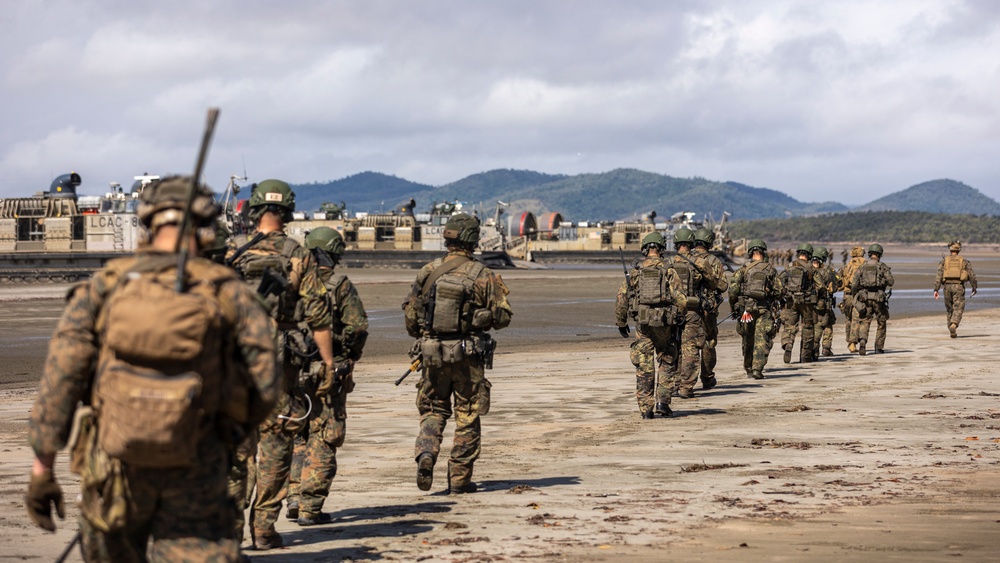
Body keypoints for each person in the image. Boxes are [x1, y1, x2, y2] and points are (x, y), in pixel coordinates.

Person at [26, 176, 278, 561]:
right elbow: (265, 386)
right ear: (207, 226)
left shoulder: (104, 288)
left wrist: (42, 470)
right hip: (199, 466)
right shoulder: (230, 293)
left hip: (113, 470)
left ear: (147, 221)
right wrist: (226, 430)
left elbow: (60, 382)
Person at [226, 179, 337, 550]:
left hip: (237, 359)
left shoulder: (234, 254)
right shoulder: (298, 254)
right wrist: (328, 362)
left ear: (254, 210)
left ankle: (227, 527)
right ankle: (264, 528)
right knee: (276, 444)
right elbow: (319, 315)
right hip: (281, 361)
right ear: (288, 212)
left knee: (237, 448)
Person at [403, 213, 512, 493]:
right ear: (473, 239)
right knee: (467, 414)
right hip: (468, 357)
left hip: (431, 355)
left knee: (433, 410)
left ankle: (426, 453)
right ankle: (459, 481)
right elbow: (502, 318)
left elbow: (411, 319)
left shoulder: (428, 271)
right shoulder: (483, 275)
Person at [286, 227, 369, 525]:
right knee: (325, 436)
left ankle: (293, 497)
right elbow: (357, 327)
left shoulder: (291, 281)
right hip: (326, 370)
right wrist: (348, 356)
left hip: (291, 370)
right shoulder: (338, 285)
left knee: (297, 433)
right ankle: (310, 507)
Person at [615, 232, 687, 417]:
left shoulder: (636, 273)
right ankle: (662, 403)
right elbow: (681, 300)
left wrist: (621, 322)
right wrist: (679, 317)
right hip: (665, 324)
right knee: (667, 359)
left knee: (644, 364)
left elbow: (622, 298)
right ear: (661, 248)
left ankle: (646, 409)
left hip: (643, 324)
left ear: (645, 248)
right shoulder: (669, 271)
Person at [670, 228, 724, 397]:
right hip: (694, 311)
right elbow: (719, 285)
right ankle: (687, 386)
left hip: (671, 312)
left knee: (674, 347)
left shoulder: (668, 262)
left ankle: (673, 384)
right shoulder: (701, 263)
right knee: (692, 348)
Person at [729, 239, 783, 379]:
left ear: (750, 252)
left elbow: (733, 290)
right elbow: (779, 290)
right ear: (763, 252)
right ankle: (757, 369)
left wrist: (734, 307)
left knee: (748, 339)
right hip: (763, 309)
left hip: (746, 309)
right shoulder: (770, 269)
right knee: (761, 339)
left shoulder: (743, 269)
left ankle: (748, 368)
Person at [692, 228, 729, 389]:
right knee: (708, 343)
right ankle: (707, 377)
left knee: (686, 344)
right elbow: (723, 286)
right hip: (707, 310)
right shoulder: (714, 261)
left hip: (686, 308)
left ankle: (684, 381)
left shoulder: (685, 259)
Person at [850, 243, 895, 355]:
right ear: (880, 254)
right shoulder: (882, 266)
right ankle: (878, 347)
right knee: (881, 322)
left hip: (865, 297)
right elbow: (891, 282)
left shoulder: (863, 266)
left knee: (865, 321)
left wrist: (855, 295)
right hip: (879, 298)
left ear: (870, 254)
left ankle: (863, 343)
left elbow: (854, 283)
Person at [779, 243, 817, 363]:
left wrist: (784, 296)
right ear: (809, 254)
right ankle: (805, 356)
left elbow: (780, 282)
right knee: (808, 327)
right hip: (806, 303)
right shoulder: (811, 268)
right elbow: (820, 286)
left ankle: (788, 344)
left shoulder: (789, 266)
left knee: (790, 326)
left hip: (791, 301)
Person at [934, 241, 978, 338]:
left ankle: (950, 328)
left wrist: (936, 290)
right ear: (959, 250)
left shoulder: (944, 261)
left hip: (946, 287)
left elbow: (939, 276)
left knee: (949, 309)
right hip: (958, 286)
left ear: (950, 249)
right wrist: (974, 287)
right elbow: (972, 275)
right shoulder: (964, 261)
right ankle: (954, 324)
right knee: (958, 307)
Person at [811, 247, 839, 357]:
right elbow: (837, 283)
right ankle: (824, 347)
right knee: (825, 324)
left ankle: (815, 349)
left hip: (808, 303)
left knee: (814, 325)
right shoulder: (828, 270)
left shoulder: (807, 269)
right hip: (823, 303)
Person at [839, 246, 867, 353]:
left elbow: (840, 281)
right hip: (858, 295)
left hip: (847, 295)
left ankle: (849, 341)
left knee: (848, 319)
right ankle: (853, 343)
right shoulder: (865, 264)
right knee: (856, 319)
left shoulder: (847, 265)